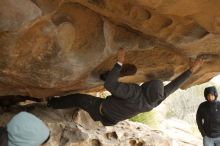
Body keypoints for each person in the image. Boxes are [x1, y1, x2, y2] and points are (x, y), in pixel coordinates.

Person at [47, 48, 203, 126]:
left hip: (100, 111)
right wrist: (190, 71)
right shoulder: (155, 101)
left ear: (147, 87)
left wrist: (119, 62)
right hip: (112, 121)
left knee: (78, 98)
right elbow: (173, 86)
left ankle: (51, 103)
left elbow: (109, 84)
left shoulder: (135, 92)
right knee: (96, 96)